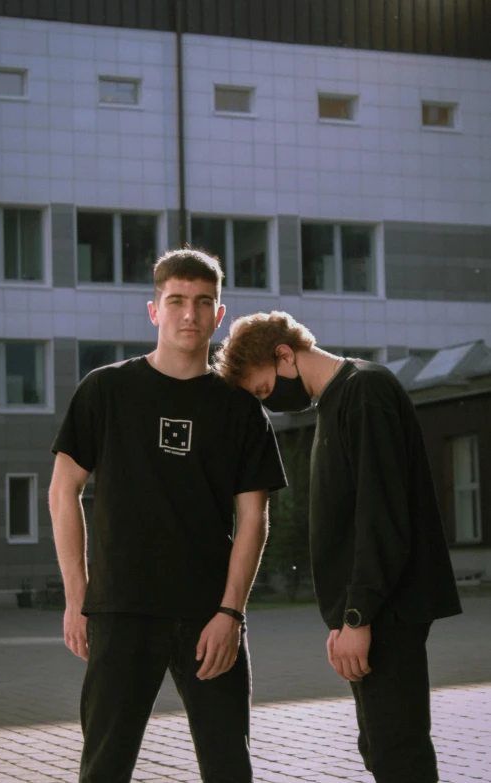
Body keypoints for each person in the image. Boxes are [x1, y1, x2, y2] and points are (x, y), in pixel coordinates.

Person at [48, 251, 287, 783]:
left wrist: (231, 613)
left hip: (209, 616)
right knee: (104, 768)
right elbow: (63, 492)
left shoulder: (240, 408)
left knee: (229, 767)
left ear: (219, 315)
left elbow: (253, 519)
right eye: (176, 301)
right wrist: (76, 596)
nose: (189, 314)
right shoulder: (105, 391)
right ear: (153, 309)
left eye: (203, 303)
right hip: (121, 610)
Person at [214, 310, 462, 783]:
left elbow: (381, 513)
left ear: (285, 354)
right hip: (369, 610)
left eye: (265, 390)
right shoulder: (332, 403)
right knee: (378, 745)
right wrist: (344, 616)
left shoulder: (365, 391)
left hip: (388, 610)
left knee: (398, 749)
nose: (269, 404)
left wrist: (357, 616)